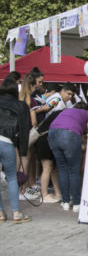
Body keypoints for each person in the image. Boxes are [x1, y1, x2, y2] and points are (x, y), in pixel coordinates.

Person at [48, 102, 88, 212]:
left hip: (52, 134)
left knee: (62, 169)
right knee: (73, 171)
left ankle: (65, 202)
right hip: (70, 134)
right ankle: (76, 203)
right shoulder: (86, 113)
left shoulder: (66, 111)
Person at [0, 79, 31, 223]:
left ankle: (0, 213)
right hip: (7, 143)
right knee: (12, 178)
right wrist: (23, 150)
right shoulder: (21, 106)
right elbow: (25, 129)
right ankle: (16, 213)